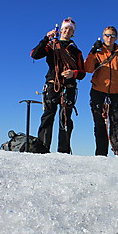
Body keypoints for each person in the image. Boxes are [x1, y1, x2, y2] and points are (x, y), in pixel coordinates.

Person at [30, 17, 85, 154]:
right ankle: (42, 149)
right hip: (52, 84)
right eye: (65, 28)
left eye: (70, 29)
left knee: (65, 118)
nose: (67, 31)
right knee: (48, 116)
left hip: (69, 87)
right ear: (60, 30)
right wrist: (45, 39)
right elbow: (34, 54)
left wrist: (74, 73)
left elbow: (82, 73)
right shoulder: (51, 45)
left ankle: (63, 151)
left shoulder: (76, 52)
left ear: (73, 33)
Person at [84, 26, 118, 158]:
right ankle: (101, 154)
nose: (109, 38)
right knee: (99, 124)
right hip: (98, 91)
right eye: (106, 35)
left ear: (116, 38)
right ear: (103, 36)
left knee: (116, 123)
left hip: (116, 92)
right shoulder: (98, 52)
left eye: (112, 36)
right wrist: (92, 51)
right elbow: (88, 69)